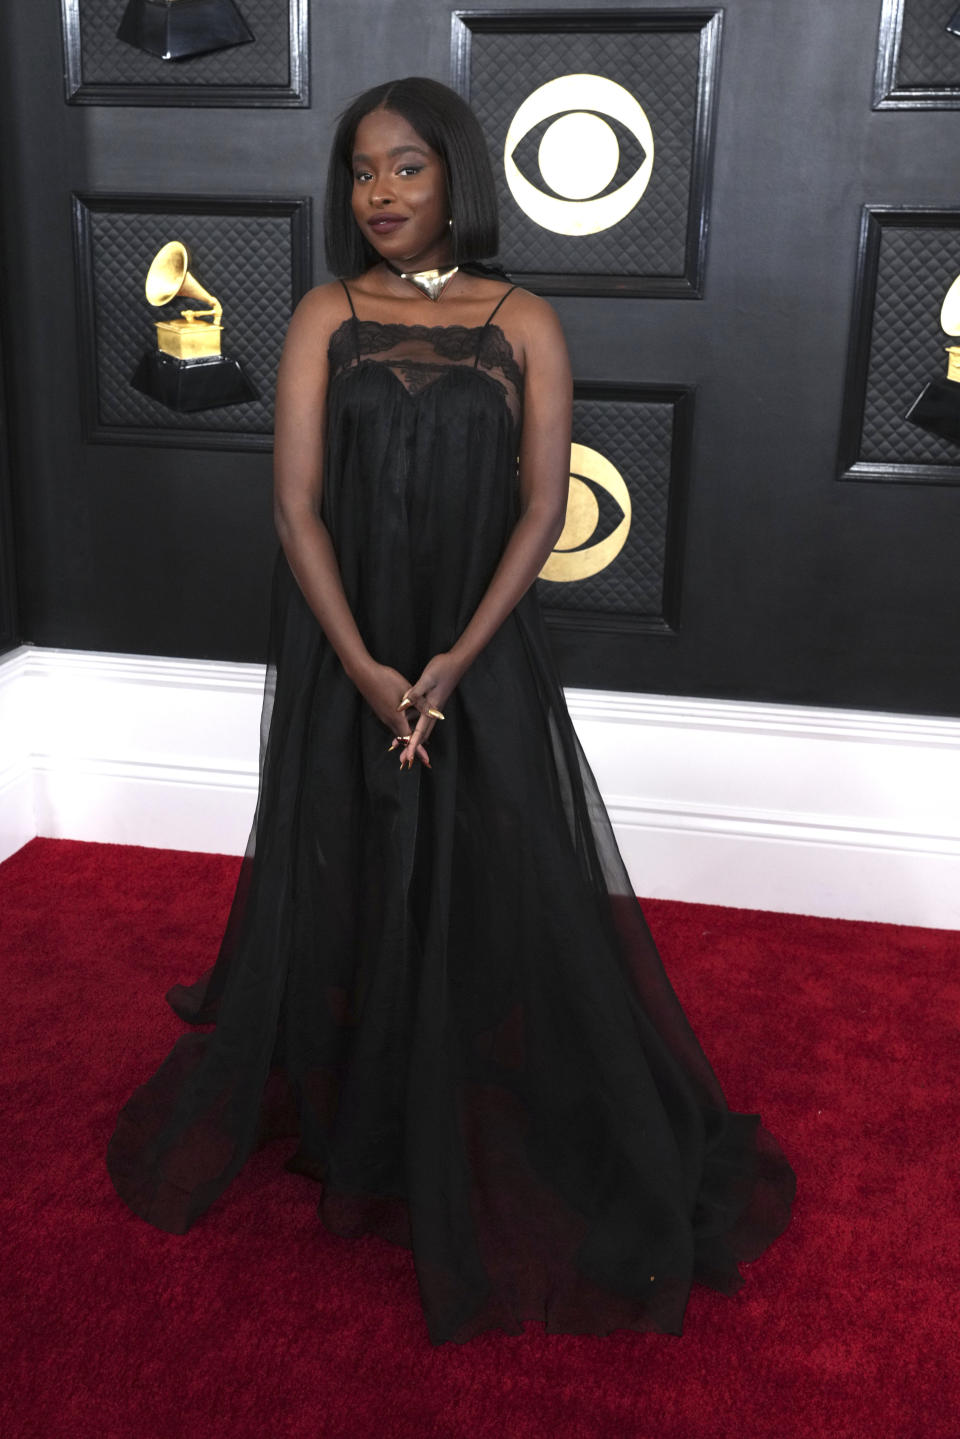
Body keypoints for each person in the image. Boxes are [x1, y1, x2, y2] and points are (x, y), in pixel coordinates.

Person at [107, 76, 796, 1346]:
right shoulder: (325, 311)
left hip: (474, 654)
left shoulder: (525, 319)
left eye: (409, 168)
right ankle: (360, 1104)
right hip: (348, 647)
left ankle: (455, 1083)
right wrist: (369, 666)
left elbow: (541, 511)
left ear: (457, 177)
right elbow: (295, 508)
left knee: (488, 864)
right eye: (363, 171)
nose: (381, 194)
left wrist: (448, 664)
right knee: (349, 853)